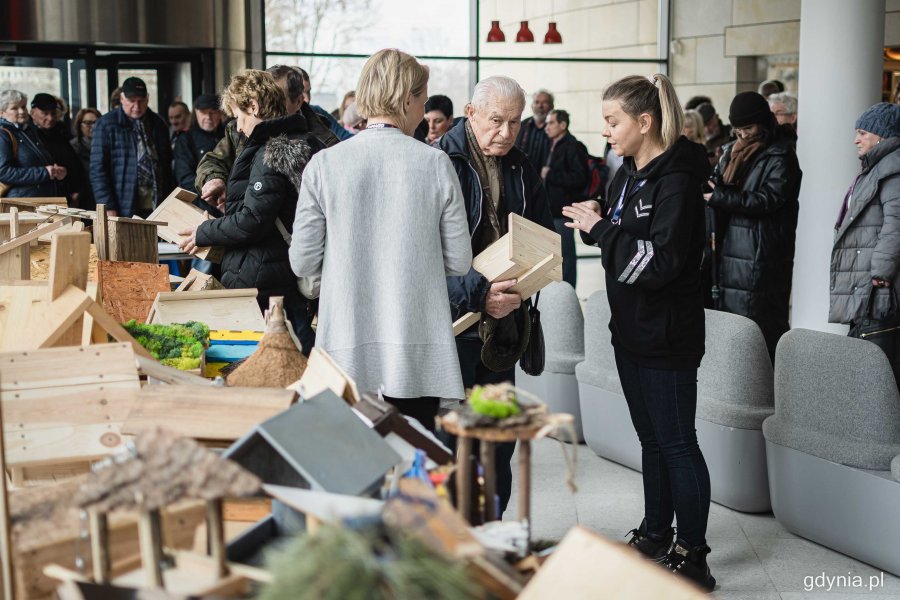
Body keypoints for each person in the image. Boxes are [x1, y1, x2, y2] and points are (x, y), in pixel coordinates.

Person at [562, 73, 715, 591]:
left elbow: (662, 262)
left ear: (643, 122)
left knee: (677, 444)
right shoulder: (626, 173)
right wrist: (600, 216)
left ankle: (693, 554)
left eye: (613, 121)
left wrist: (601, 231)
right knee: (651, 441)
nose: (605, 131)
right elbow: (629, 232)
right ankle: (655, 534)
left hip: (668, 335)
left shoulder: (678, 182)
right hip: (630, 331)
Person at [290, 49, 472, 430]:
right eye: (422, 100)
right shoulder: (435, 163)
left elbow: (303, 263)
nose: (423, 111)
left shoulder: (324, 164)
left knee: (350, 471)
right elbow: (458, 261)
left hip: (344, 347)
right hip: (416, 352)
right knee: (412, 471)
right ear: (407, 99)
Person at [438, 75, 554, 515]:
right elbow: (423, 260)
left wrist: (526, 284)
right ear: (470, 113)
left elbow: (542, 232)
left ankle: (493, 529)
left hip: (505, 320)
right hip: (454, 322)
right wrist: (477, 293)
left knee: (498, 436)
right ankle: (453, 538)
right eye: (496, 121)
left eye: (515, 123)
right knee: (453, 439)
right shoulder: (441, 161)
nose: (505, 133)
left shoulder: (522, 166)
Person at [177, 69, 325, 355]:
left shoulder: (272, 149)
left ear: (254, 107)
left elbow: (253, 220)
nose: (240, 127)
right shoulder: (300, 140)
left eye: (239, 117)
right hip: (277, 268)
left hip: (265, 273)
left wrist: (203, 232)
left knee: (276, 356)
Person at [703, 91, 802, 361]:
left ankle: (767, 394)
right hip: (732, 249)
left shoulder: (780, 155)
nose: (743, 135)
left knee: (759, 329)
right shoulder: (732, 151)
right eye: (738, 129)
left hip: (762, 255)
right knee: (734, 330)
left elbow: (769, 199)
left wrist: (720, 197)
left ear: (764, 122)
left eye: (748, 128)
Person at [194, 65, 339, 211]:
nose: (266, 103)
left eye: (276, 96)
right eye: (263, 95)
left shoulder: (324, 142)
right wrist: (214, 179)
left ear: (299, 102)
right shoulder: (240, 129)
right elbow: (213, 160)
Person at [830, 102, 900, 383]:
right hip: (867, 283)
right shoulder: (877, 167)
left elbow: (896, 223)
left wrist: (881, 271)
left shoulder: (892, 169)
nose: (856, 139)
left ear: (882, 135)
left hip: (878, 287)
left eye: (862, 133)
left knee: (877, 366)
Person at [90, 76, 173, 218]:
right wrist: (108, 205)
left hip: (157, 200)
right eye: (131, 101)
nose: (137, 106)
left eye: (141, 101)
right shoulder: (106, 125)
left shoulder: (158, 123)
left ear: (147, 99)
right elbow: (98, 169)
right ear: (122, 99)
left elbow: (167, 165)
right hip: (123, 201)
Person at [542, 108, 588, 288]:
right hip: (552, 210)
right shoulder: (553, 144)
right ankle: (557, 294)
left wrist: (551, 174)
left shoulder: (573, 146)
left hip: (564, 211)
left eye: (551, 122)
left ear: (563, 125)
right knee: (555, 255)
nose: (547, 127)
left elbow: (579, 178)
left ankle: (567, 293)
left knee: (566, 256)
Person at [0, 89, 67, 197]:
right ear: (1, 113)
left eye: (23, 106)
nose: (22, 111)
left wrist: (56, 172)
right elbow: (3, 173)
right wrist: (45, 173)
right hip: (22, 205)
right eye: (14, 108)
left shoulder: (27, 131)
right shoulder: (3, 134)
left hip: (37, 201)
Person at [29, 92, 84, 206]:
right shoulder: (26, 136)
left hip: (64, 194)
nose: (50, 118)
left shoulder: (61, 132)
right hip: (37, 196)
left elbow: (73, 163)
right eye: (45, 113)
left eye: (53, 113)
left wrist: (75, 189)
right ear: (33, 113)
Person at [173, 94, 225, 194]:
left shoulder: (228, 135)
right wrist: (211, 192)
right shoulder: (186, 140)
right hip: (201, 200)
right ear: (196, 112)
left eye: (212, 112)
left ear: (219, 113)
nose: (208, 117)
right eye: (203, 112)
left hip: (230, 200)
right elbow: (185, 178)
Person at [515, 89, 553, 172]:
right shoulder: (522, 125)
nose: (540, 106)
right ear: (532, 106)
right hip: (522, 175)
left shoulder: (555, 129)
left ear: (552, 106)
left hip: (546, 180)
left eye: (545, 102)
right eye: (537, 102)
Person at [70, 107, 101, 208]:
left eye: (96, 122)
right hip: (83, 197)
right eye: (87, 123)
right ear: (80, 125)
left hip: (101, 194)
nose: (92, 126)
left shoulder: (107, 145)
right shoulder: (73, 146)